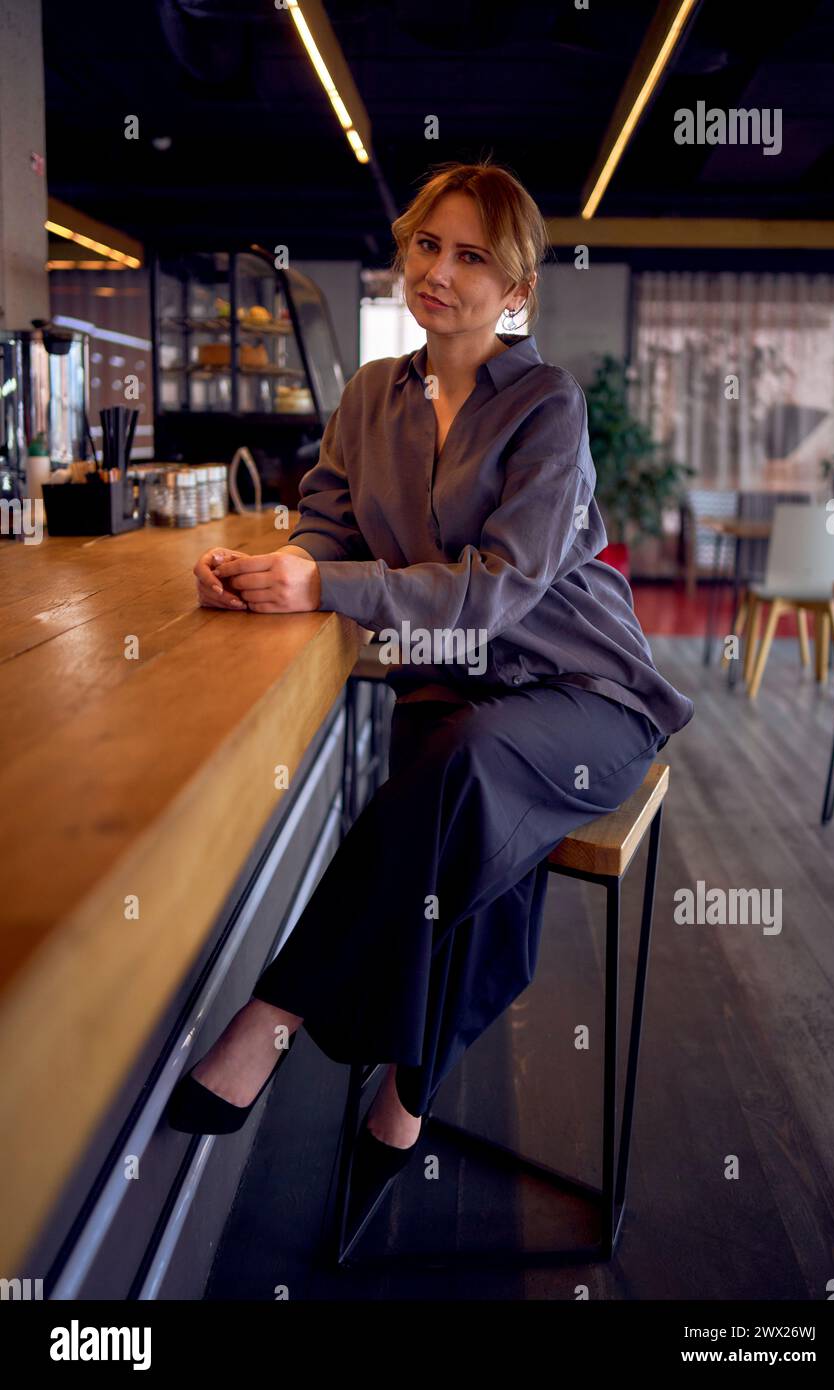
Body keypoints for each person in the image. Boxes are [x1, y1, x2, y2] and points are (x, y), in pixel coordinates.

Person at [166, 159, 694, 1176]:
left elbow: (495, 584)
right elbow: (324, 527)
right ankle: (408, 1092)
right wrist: (273, 568)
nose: (437, 272)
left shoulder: (546, 405)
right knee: (455, 794)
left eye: (470, 257)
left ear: (515, 290)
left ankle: (274, 1013)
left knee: (457, 768)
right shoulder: (369, 395)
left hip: (583, 691)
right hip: (450, 687)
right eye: (424, 244)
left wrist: (326, 590)